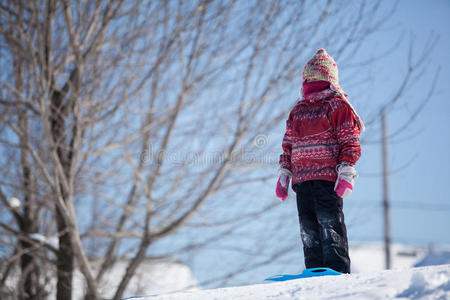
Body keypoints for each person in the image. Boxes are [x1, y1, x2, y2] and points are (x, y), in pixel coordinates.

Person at [275, 48, 364, 274]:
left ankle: (336, 268)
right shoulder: (298, 110)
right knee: (308, 226)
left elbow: (349, 140)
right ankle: (314, 269)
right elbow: (289, 144)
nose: (312, 82)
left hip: (327, 178)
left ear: (329, 80)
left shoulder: (337, 106)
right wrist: (284, 173)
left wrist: (346, 171)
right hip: (302, 180)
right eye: (309, 78)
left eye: (317, 78)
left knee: (329, 221)